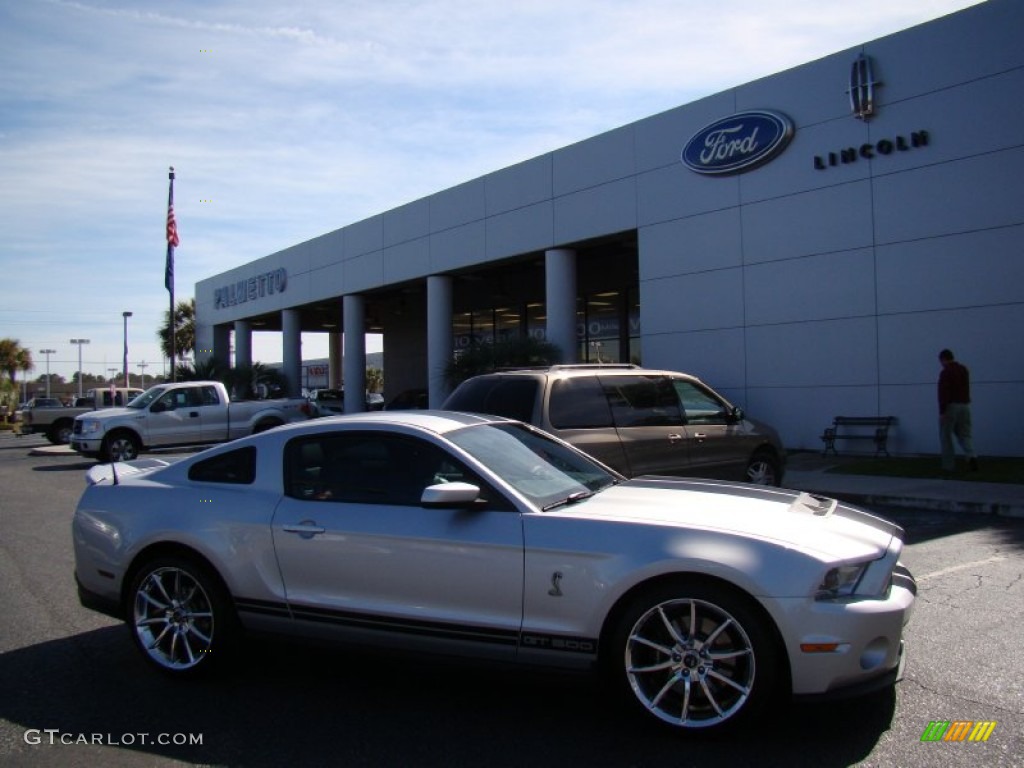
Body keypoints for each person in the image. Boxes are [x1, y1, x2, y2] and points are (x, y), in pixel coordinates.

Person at [937, 349, 978, 473]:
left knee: (946, 436)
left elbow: (944, 392)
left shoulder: (945, 372)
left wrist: (942, 411)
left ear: (943, 359)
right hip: (964, 405)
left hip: (951, 406)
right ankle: (971, 456)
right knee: (965, 434)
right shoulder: (963, 369)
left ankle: (948, 465)